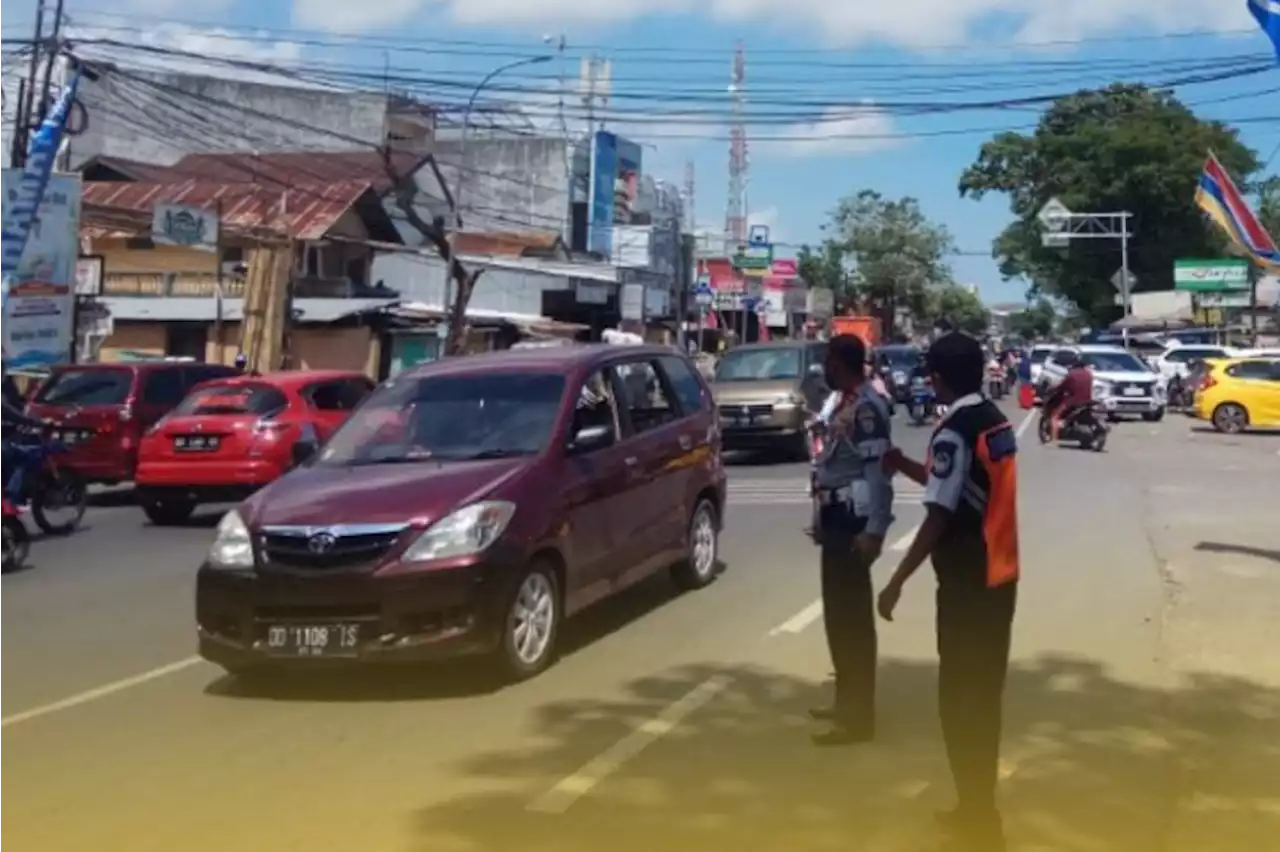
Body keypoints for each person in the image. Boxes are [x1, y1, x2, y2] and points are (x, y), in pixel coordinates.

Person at [879, 332, 1019, 852]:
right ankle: (978, 809)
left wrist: (895, 582)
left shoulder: (953, 431)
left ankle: (978, 819)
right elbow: (955, 486)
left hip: (966, 584)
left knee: (959, 702)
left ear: (935, 377)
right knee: (985, 698)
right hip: (1002, 576)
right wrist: (904, 466)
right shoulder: (994, 420)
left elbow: (940, 513)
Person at [808, 333, 895, 747]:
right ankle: (846, 701)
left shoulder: (866, 408)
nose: (823, 369)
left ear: (841, 363)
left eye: (827, 361)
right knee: (837, 618)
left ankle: (858, 717)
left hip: (854, 520)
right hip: (835, 515)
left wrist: (875, 529)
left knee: (853, 622)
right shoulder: (841, 401)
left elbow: (878, 473)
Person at [0, 363, 47, 503]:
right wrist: (36, 422)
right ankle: (10, 497)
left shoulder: (7, 389)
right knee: (20, 457)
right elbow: (10, 413)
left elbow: (12, 411)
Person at [1042, 351, 1093, 442]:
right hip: (1088, 401)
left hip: (1073, 402)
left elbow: (1062, 386)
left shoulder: (1072, 374)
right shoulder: (1088, 374)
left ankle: (1053, 440)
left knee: (1055, 416)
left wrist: (1052, 390)